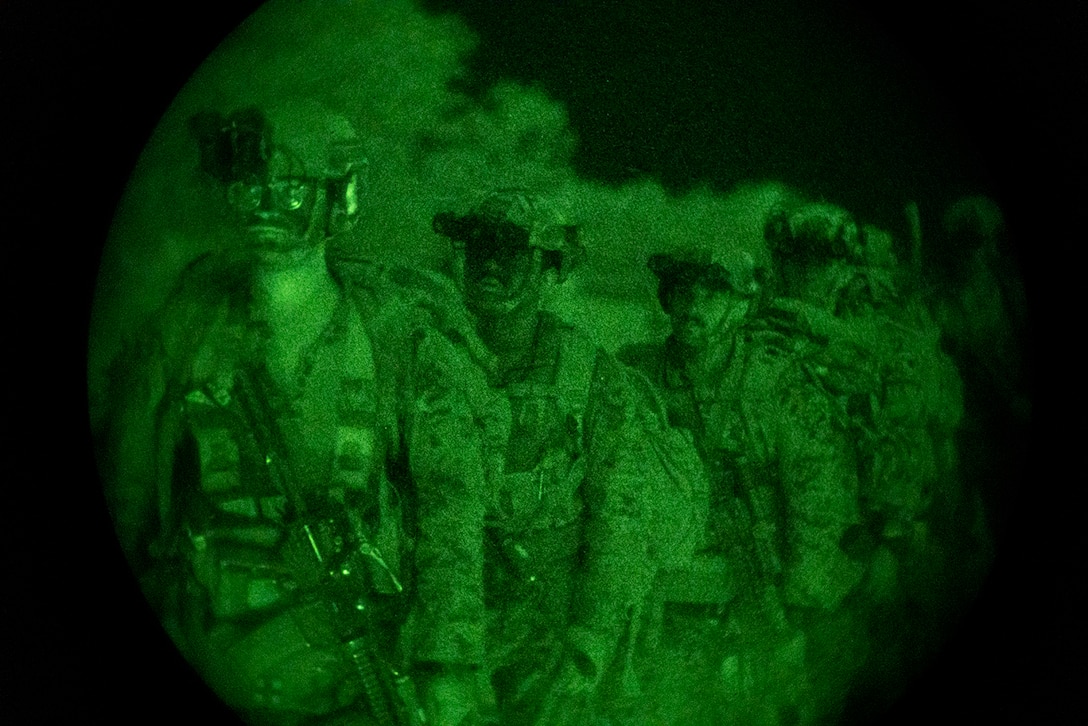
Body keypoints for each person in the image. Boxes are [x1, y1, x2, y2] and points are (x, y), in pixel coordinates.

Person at [97, 100, 492, 726]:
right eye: (248, 185)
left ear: (340, 198)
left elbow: (451, 508)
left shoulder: (397, 338)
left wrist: (446, 660)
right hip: (203, 638)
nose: (263, 206)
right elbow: (129, 490)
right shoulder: (187, 325)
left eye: (288, 188)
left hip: (343, 663)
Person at [432, 189, 703, 725]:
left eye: (511, 253)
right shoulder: (426, 357)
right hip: (444, 621)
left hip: (548, 629)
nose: (488, 264)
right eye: (477, 249)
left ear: (549, 269)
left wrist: (590, 644)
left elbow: (619, 521)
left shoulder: (593, 380)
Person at [617, 242, 865, 726]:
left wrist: (803, 587)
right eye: (683, 292)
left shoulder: (775, 381)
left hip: (761, 592)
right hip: (660, 597)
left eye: (713, 295)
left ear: (742, 304)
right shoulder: (633, 374)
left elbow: (819, 487)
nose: (694, 307)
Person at [763, 199, 974, 716]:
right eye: (800, 261)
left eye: (824, 262)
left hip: (857, 548)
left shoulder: (881, 348)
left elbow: (911, 443)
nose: (811, 274)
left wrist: (891, 533)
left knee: (856, 678)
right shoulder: (754, 335)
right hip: (776, 551)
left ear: (845, 268)